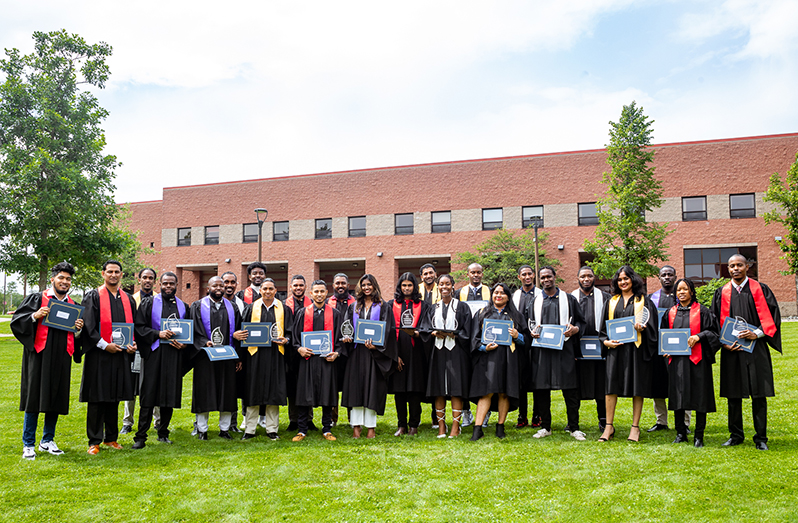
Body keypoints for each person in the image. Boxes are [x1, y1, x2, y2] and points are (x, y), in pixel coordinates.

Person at [12, 261, 83, 459]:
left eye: (68, 279)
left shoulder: (74, 306)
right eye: (61, 277)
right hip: (39, 355)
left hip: (62, 357)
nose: (65, 281)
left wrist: (78, 330)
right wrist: (35, 315)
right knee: (33, 398)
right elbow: (17, 321)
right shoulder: (37, 299)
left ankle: (47, 440)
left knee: (56, 397)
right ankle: (28, 443)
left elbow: (79, 338)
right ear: (53, 279)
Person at [711, 254, 781, 450]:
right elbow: (714, 322)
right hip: (731, 350)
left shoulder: (760, 289)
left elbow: (773, 316)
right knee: (733, 394)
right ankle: (735, 435)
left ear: (747, 266)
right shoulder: (721, 293)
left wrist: (757, 333)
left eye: (739, 265)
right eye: (732, 266)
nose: (735, 269)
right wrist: (722, 342)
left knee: (759, 393)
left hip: (756, 349)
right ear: (728, 269)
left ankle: (761, 438)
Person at [79, 260, 138, 454]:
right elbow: (88, 326)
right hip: (99, 354)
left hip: (120, 355)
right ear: (103, 273)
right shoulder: (93, 296)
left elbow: (133, 326)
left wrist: (133, 344)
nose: (113, 275)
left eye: (117, 272)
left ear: (122, 275)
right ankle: (94, 441)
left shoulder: (128, 299)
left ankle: (111, 438)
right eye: (110, 271)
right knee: (97, 398)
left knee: (115, 396)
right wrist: (105, 345)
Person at [598, 266, 658, 443]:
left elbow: (652, 326)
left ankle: (635, 428)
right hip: (615, 350)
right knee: (610, 388)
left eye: (626, 278)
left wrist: (643, 329)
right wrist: (605, 342)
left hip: (635, 350)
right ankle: (609, 426)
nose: (623, 282)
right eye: (620, 279)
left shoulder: (644, 301)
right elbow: (603, 329)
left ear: (633, 279)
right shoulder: (611, 301)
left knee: (636, 388)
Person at [132, 271, 189, 448]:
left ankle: (163, 433)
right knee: (148, 395)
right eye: (165, 284)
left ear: (177, 285)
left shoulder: (183, 306)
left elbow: (189, 332)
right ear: (160, 285)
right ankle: (140, 437)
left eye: (171, 284)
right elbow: (139, 327)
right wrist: (158, 333)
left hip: (173, 355)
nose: (168, 287)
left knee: (169, 394)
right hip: (154, 354)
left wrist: (185, 344)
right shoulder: (148, 303)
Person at [527, 267, 585, 440]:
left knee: (570, 389)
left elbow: (582, 322)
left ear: (554, 277)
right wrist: (531, 331)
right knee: (542, 389)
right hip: (542, 352)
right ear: (539, 279)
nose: (546, 280)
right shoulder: (535, 301)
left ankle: (574, 427)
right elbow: (529, 323)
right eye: (543, 277)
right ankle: (546, 426)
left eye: (549, 276)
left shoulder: (569, 299)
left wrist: (575, 330)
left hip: (564, 350)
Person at [661, 278, 720, 447]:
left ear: (692, 292)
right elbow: (663, 335)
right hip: (677, 362)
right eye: (678, 290)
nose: (681, 292)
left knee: (700, 397)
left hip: (697, 362)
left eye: (685, 289)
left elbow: (714, 333)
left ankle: (698, 436)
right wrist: (664, 348)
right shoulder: (670, 312)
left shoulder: (702, 311)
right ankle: (680, 433)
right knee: (678, 397)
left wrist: (699, 336)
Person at [340, 274, 398, 439]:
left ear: (374, 286)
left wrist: (377, 344)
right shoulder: (353, 307)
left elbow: (389, 330)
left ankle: (371, 428)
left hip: (375, 355)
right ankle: (356, 427)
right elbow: (347, 327)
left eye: (369, 285)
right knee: (356, 390)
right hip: (357, 353)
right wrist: (347, 337)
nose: (366, 288)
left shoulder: (383, 306)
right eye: (363, 285)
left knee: (372, 389)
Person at [469, 283, 525, 441]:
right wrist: (483, 347)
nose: (498, 295)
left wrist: (517, 336)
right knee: (486, 391)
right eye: (496, 293)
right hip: (488, 358)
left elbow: (525, 340)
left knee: (504, 392)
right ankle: (477, 428)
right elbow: (474, 338)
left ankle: (500, 426)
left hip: (509, 358)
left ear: (508, 296)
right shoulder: (482, 313)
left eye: (502, 293)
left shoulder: (516, 315)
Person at [238, 278, 292, 440]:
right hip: (255, 357)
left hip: (276, 356)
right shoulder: (250, 308)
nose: (268, 291)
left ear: (276, 291)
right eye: (265, 289)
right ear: (259, 291)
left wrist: (286, 340)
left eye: (271, 289)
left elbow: (290, 332)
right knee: (253, 390)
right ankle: (249, 429)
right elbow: (243, 331)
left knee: (273, 392)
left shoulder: (284, 309)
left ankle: (272, 429)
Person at [189, 276, 242, 440]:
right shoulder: (197, 306)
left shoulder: (232, 307)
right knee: (204, 393)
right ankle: (202, 429)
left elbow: (239, 332)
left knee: (227, 392)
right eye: (215, 285)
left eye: (222, 285)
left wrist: (238, 357)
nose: (219, 288)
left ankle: (224, 429)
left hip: (227, 358)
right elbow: (193, 330)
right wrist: (205, 342)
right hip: (205, 357)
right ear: (208, 287)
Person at [291, 280, 343, 441]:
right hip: (307, 361)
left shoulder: (335, 314)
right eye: (316, 292)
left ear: (326, 293)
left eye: (322, 291)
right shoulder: (302, 313)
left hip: (327, 361)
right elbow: (294, 337)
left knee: (327, 393)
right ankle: (302, 429)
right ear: (311, 293)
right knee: (304, 394)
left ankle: (327, 429)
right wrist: (299, 348)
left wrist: (337, 353)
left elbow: (340, 339)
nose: (319, 294)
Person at [422, 274, 472, 438]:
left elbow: (468, 330)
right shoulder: (432, 307)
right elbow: (425, 328)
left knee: (455, 389)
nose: (444, 287)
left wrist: (455, 335)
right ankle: (441, 426)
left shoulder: (462, 306)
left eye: (447, 284)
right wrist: (434, 332)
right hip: (438, 351)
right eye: (441, 284)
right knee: (439, 389)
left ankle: (455, 427)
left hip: (456, 350)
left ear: (453, 286)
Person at [388, 273, 431, 436]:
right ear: (399, 287)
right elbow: (388, 331)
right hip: (397, 352)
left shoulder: (423, 305)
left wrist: (416, 334)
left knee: (414, 390)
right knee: (399, 391)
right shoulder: (391, 305)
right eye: (403, 285)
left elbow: (426, 328)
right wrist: (394, 355)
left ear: (415, 287)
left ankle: (414, 424)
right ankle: (401, 425)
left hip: (416, 353)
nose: (406, 288)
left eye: (409, 285)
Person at [570, 266, 610, 431]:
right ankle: (573, 421)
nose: (586, 279)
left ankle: (603, 419)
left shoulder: (606, 297)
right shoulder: (570, 298)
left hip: (599, 349)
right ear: (578, 278)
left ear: (594, 277)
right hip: (576, 349)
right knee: (575, 385)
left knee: (601, 385)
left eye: (589, 276)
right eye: (583, 276)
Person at [122, 267, 159, 435]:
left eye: (151, 278)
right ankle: (127, 421)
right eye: (145, 277)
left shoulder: (160, 300)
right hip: (133, 348)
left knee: (154, 384)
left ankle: (157, 420)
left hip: (153, 349)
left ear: (154, 281)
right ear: (139, 279)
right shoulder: (130, 300)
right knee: (131, 384)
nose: (148, 280)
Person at [647, 265, 682, 433]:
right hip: (657, 350)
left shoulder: (682, 297)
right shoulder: (651, 299)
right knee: (658, 385)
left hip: (679, 350)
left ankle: (684, 423)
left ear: (675, 277)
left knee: (681, 384)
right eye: (663, 275)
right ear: (659, 278)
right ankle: (661, 421)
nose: (667, 277)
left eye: (670, 274)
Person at [284, 274, 314, 432]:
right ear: (290, 287)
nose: (298, 288)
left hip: (308, 350)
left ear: (305, 287)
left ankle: (309, 419)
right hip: (290, 352)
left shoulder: (312, 304)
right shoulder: (284, 305)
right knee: (292, 387)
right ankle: (293, 419)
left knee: (307, 385)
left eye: (301, 285)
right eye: (295, 285)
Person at [326, 273, 356, 426]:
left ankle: (352, 418)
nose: (340, 286)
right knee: (333, 385)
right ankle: (332, 418)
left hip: (351, 351)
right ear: (333, 285)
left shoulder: (356, 303)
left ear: (348, 285)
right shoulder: (327, 303)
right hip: (333, 349)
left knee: (350, 384)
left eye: (343, 283)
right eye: (337, 283)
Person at [513, 265, 538, 429]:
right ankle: (522, 416)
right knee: (521, 382)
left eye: (530, 274)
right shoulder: (515, 296)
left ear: (534, 275)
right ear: (519, 277)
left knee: (537, 381)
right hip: (520, 343)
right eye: (524, 274)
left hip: (537, 343)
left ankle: (538, 415)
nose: (527, 276)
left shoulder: (540, 294)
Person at [222, 270, 246, 433]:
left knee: (233, 388)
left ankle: (232, 423)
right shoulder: (205, 305)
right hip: (213, 352)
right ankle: (201, 424)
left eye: (232, 282)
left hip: (234, 353)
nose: (229, 285)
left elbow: (243, 331)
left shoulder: (241, 304)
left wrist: (240, 357)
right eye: (226, 282)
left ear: (237, 284)